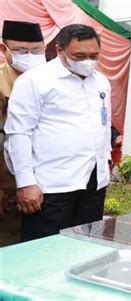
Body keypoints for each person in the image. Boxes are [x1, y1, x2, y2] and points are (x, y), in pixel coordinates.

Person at [4, 24, 111, 241]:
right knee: (44, 251)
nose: (87, 61)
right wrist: (25, 183)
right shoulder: (35, 80)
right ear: (60, 50)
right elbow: (19, 133)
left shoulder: (101, 81)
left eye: (94, 55)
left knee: (84, 247)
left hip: (93, 182)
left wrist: (106, 158)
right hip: (50, 186)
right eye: (79, 55)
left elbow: (103, 124)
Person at [0, 20, 45, 245]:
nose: (30, 55)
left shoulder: (54, 79)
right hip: (7, 183)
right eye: (20, 50)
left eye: (36, 50)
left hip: (47, 182)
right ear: (3, 49)